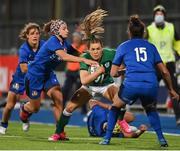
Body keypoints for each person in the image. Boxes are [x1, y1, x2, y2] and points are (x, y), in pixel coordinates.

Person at [48, 9, 132, 141]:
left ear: (102, 48)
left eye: (98, 49)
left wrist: (122, 68)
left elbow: (123, 60)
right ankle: (59, 132)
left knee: (121, 97)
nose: (96, 52)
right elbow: (84, 80)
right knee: (69, 108)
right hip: (89, 87)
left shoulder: (110, 53)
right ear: (88, 49)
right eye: (93, 49)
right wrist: (99, 71)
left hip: (106, 85)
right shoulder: (85, 57)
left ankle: (121, 122)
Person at [99, 15, 179, 147]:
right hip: (150, 84)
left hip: (131, 85)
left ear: (129, 32)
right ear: (144, 32)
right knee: (151, 109)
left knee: (115, 107)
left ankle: (107, 138)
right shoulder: (151, 47)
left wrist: (123, 71)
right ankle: (162, 139)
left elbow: (113, 73)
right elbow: (164, 71)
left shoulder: (123, 46)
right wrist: (171, 90)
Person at [18, 19, 97, 139]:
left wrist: (92, 54)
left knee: (59, 99)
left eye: (66, 28)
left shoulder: (64, 43)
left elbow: (78, 53)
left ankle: (60, 132)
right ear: (56, 31)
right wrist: (84, 60)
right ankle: (24, 109)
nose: (67, 30)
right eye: (64, 28)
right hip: (34, 76)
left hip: (48, 75)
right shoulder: (53, 41)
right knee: (35, 108)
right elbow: (64, 56)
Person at [0, 23, 45, 134]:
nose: (35, 36)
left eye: (37, 33)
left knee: (36, 109)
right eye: (32, 34)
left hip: (34, 79)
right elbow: (24, 69)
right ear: (27, 36)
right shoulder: (24, 49)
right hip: (20, 79)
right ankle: (3, 124)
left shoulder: (44, 46)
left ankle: (24, 115)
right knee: (10, 105)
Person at [146, 5, 180, 125]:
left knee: (174, 91)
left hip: (169, 63)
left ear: (164, 15)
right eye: (157, 13)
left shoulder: (171, 27)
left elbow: (177, 43)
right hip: (155, 64)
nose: (159, 16)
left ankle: (178, 117)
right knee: (152, 91)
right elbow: (145, 45)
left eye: (161, 14)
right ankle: (153, 118)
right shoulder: (149, 29)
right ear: (154, 16)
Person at [62, 31, 87, 105]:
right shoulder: (71, 46)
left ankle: (83, 108)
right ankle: (63, 104)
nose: (75, 39)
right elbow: (67, 59)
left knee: (80, 90)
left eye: (77, 37)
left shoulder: (84, 47)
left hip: (79, 71)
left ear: (80, 39)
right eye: (74, 37)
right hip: (70, 71)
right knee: (65, 89)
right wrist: (66, 70)